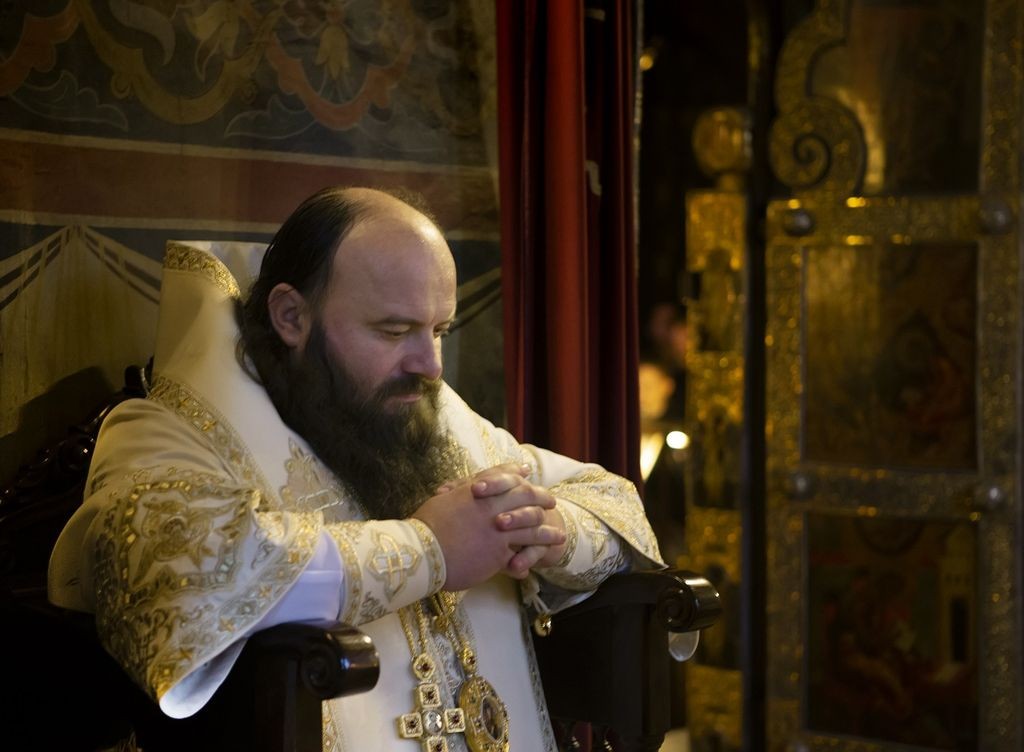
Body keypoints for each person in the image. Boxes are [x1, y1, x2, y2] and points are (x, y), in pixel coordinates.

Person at [48, 187, 665, 752]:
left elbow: (612, 501)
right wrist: (429, 550)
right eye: (394, 330)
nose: (430, 365)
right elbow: (185, 573)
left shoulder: (435, 421)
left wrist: (549, 534)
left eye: (439, 330)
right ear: (291, 317)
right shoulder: (172, 432)